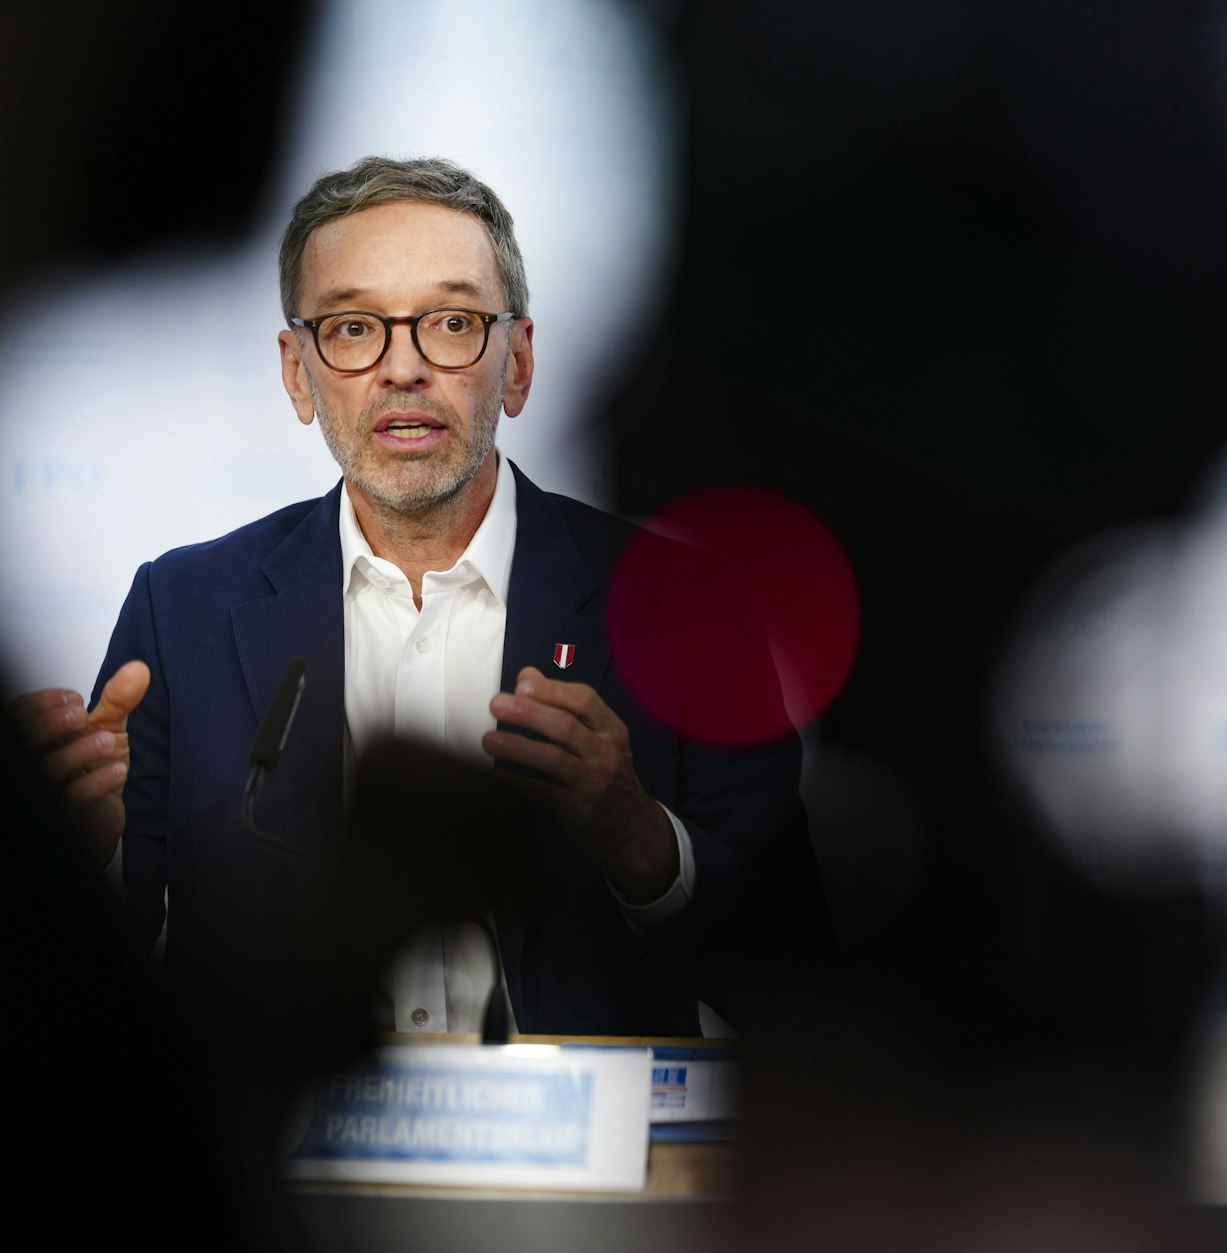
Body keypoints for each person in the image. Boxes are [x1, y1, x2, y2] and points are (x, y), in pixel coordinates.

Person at [8, 156, 824, 1037]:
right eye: (355, 328)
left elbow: (804, 968)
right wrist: (82, 856)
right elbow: (103, 1016)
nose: (403, 369)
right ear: (297, 373)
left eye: (450, 322)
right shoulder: (182, 610)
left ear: (516, 365)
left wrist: (643, 841)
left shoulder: (680, 602)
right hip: (292, 1157)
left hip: (588, 1163)